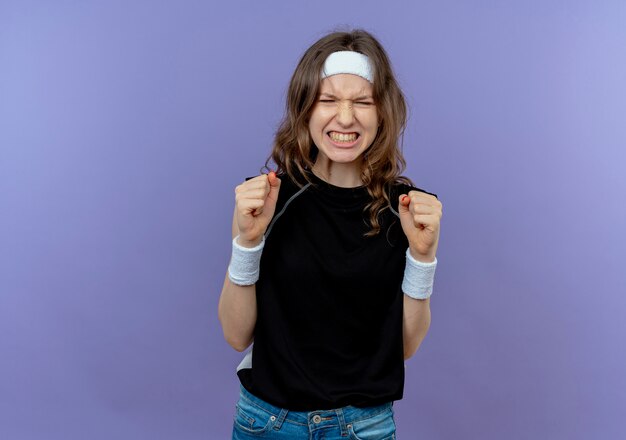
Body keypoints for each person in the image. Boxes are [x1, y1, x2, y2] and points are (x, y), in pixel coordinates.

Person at [218, 28, 442, 439]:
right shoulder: (267, 199)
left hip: (363, 427)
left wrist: (423, 257)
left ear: (383, 113)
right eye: (327, 100)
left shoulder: (407, 209)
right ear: (305, 109)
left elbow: (405, 348)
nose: (344, 117)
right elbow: (236, 336)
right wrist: (247, 242)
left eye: (362, 102)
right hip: (266, 424)